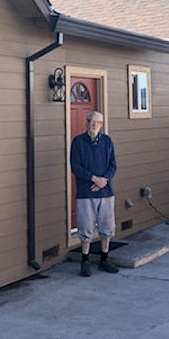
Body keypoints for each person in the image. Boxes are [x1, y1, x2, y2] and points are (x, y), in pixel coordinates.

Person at [70, 110, 119, 277]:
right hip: (86, 193)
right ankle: (85, 261)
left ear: (102, 125)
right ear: (86, 123)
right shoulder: (78, 142)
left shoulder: (107, 141)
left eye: (98, 122)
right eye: (92, 121)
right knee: (85, 228)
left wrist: (104, 180)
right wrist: (93, 179)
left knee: (107, 227)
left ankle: (104, 259)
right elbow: (75, 166)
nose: (94, 125)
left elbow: (113, 165)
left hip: (106, 192)